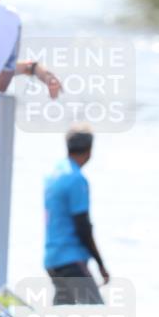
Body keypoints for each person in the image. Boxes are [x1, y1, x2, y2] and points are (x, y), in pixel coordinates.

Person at [44, 126, 109, 304]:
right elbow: (83, 226)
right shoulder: (76, 179)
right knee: (97, 315)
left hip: (52, 258)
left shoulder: (54, 173)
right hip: (70, 259)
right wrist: (101, 264)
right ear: (89, 151)